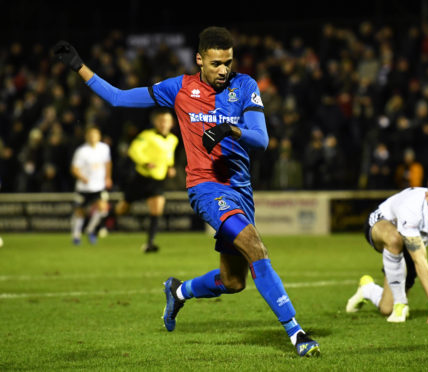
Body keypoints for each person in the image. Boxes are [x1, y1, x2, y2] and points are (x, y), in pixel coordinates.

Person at [53, 26, 320, 357]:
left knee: (233, 282)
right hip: (206, 188)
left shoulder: (245, 86)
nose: (224, 70)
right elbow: (118, 98)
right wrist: (80, 66)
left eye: (228, 62)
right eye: (216, 63)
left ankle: (179, 292)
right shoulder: (179, 88)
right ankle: (296, 333)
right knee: (255, 247)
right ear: (200, 60)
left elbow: (262, 140)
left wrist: (230, 129)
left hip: (240, 190)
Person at [346, 172, 428, 324]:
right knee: (395, 239)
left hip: (408, 242)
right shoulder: (411, 208)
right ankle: (400, 304)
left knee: (386, 309)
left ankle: (368, 289)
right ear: (427, 196)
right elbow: (420, 260)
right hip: (381, 223)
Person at [114, 108, 179, 253]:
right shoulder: (146, 135)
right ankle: (105, 222)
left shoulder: (173, 139)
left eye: (167, 121)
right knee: (123, 208)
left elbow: (168, 156)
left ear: (171, 123)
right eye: (161, 121)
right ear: (156, 122)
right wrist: (145, 162)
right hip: (141, 178)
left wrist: (170, 167)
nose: (164, 124)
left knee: (157, 209)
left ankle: (150, 243)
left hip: (158, 180)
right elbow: (134, 150)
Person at [70, 124, 112, 245]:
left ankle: (90, 230)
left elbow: (108, 163)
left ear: (99, 136)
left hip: (98, 186)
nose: (93, 137)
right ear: (86, 137)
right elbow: (74, 169)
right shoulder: (82, 151)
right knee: (80, 212)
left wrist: (108, 177)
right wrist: (82, 177)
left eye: (95, 135)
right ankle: (76, 235)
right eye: (90, 135)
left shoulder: (104, 148)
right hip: (84, 187)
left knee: (103, 208)